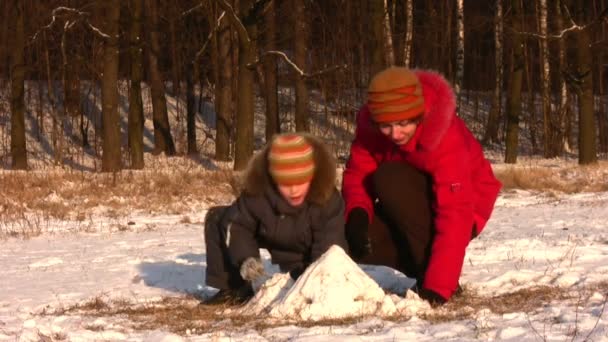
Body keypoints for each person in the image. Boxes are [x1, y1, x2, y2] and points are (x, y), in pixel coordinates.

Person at [342, 67, 502, 306]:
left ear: (418, 115)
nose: (395, 134)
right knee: (346, 234)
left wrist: (438, 287)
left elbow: (455, 214)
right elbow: (357, 174)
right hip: (411, 204)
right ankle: (425, 269)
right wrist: (357, 212)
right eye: (386, 126)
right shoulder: (372, 131)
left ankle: (437, 277)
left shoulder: (445, 135)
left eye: (403, 123)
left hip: (467, 208)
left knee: (389, 178)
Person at [204, 133, 348, 305]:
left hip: (307, 252)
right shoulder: (258, 192)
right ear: (274, 179)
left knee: (319, 272)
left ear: (312, 176)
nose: (294, 190)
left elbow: (330, 247)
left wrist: (312, 281)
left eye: (301, 182)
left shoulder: (326, 198)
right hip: (271, 233)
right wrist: (246, 258)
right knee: (219, 217)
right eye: (286, 183)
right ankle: (233, 288)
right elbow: (238, 225)